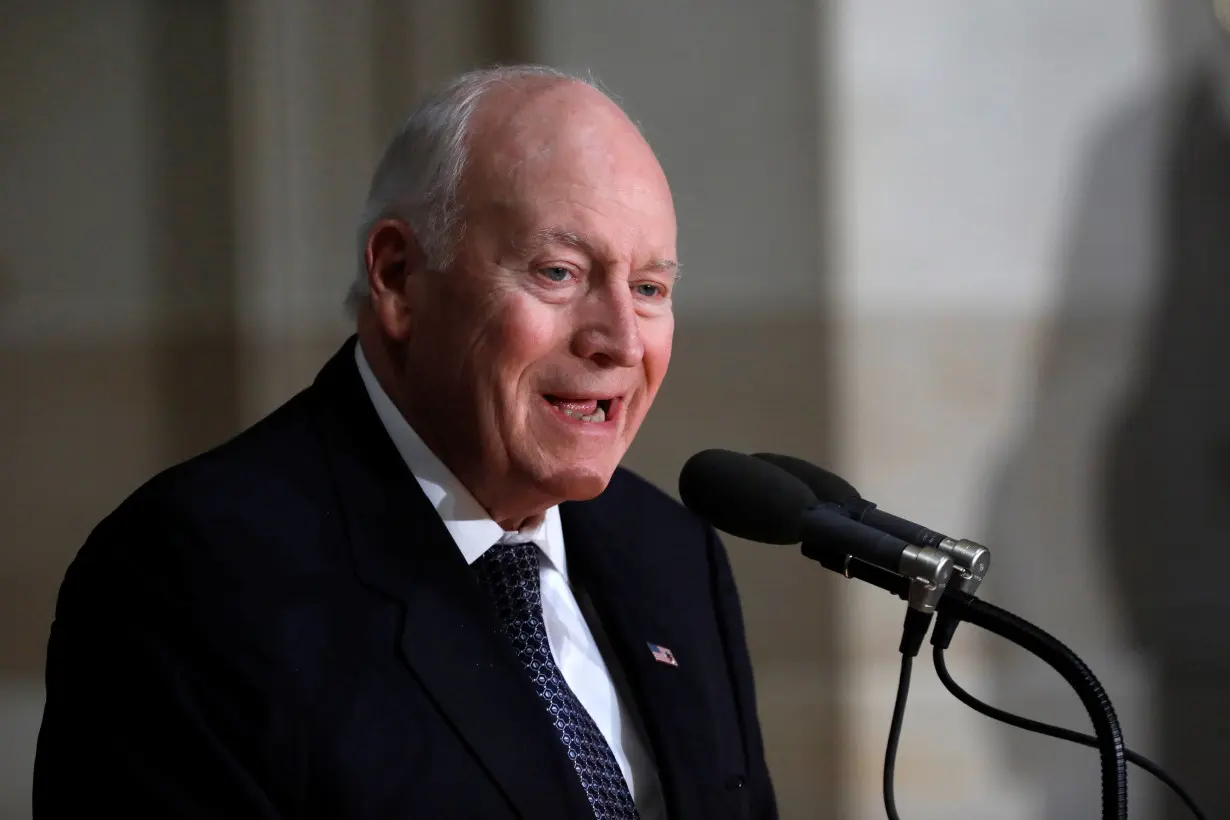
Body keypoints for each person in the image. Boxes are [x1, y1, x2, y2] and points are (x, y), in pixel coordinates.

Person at [32, 65, 777, 819]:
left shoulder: (672, 556)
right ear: (398, 276)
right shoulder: (195, 577)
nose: (619, 340)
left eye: (650, 289)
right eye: (559, 272)